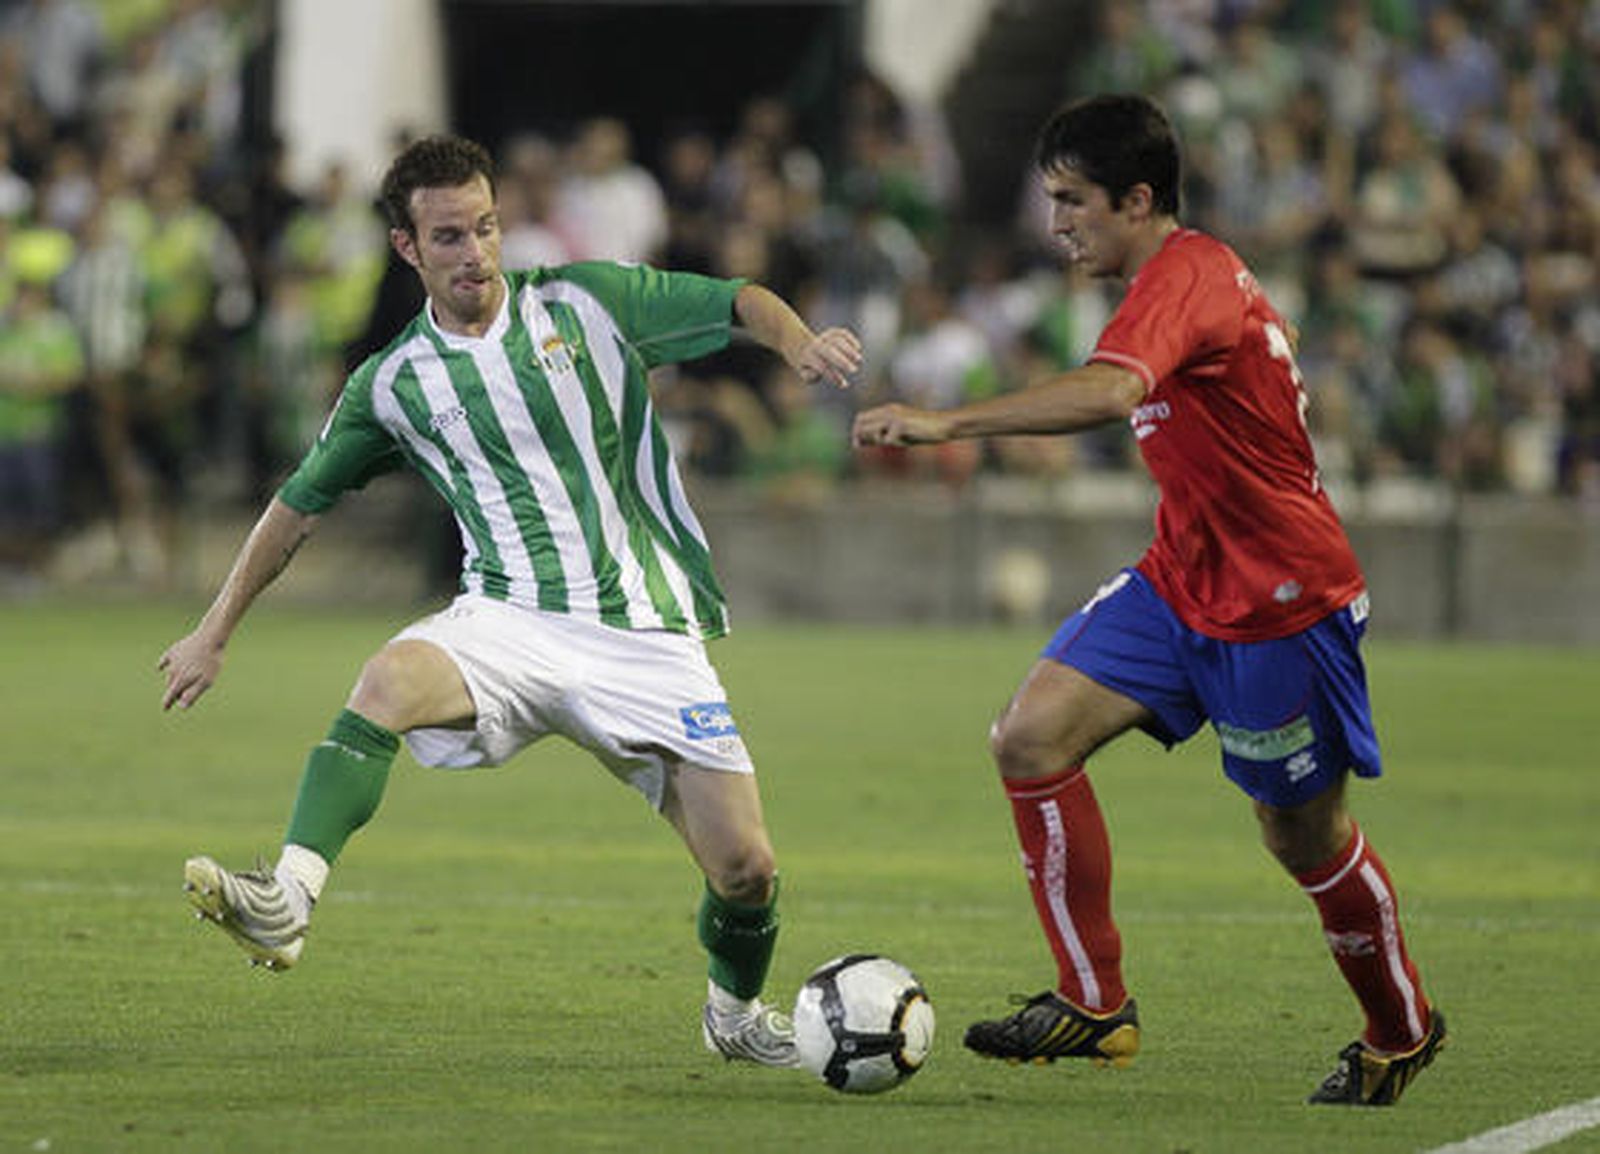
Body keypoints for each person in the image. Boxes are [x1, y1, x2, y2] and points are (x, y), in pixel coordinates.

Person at [159, 134, 862, 1068]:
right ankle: (288, 896)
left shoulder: (587, 303)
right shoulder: (394, 384)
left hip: (645, 632)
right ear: (407, 248)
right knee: (385, 679)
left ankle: (733, 1018)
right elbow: (298, 505)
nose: (475, 253)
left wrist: (800, 341)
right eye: (448, 236)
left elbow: (736, 300)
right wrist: (214, 630)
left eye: (486, 227)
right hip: (507, 619)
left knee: (747, 869)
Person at [852, 94, 1445, 1106]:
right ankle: (1094, 1000)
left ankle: (1400, 1026)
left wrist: (942, 424)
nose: (1057, 225)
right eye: (1050, 201)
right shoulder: (1190, 280)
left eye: (1072, 201)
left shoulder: (1184, 274)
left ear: (1138, 199)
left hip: (1278, 602)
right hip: (1180, 576)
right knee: (1027, 736)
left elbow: (1110, 391)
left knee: (1300, 836)